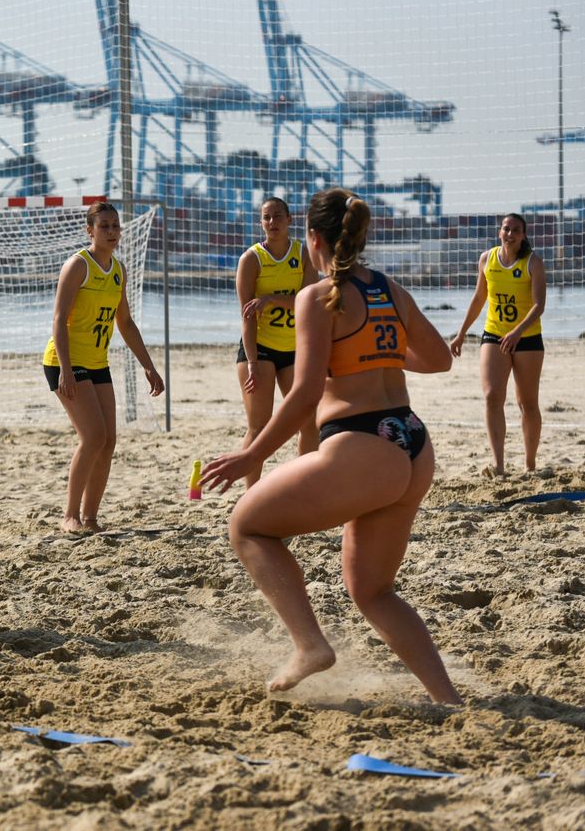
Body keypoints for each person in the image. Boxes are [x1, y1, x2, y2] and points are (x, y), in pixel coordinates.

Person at [201, 188, 461, 705]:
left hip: (362, 445)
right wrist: (374, 354)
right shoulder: (389, 287)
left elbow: (305, 394)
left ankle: (310, 646)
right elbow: (438, 360)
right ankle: (447, 699)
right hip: (411, 441)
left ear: (312, 239)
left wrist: (253, 455)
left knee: (247, 526)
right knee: (373, 591)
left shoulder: (316, 295)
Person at [43, 202, 164, 534]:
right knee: (93, 436)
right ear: (90, 231)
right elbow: (57, 320)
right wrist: (66, 370)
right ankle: (69, 516)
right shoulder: (77, 266)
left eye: (115, 226)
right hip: (64, 361)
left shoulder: (119, 270)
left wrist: (149, 367)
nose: (112, 232)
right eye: (104, 226)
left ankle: (91, 517)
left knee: (109, 440)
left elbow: (125, 323)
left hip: (97, 363)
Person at [448, 214, 546, 476]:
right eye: (506, 229)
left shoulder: (532, 262)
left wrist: (517, 331)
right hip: (494, 334)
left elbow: (539, 306)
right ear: (499, 232)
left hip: (527, 338)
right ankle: (498, 465)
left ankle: (530, 465)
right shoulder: (486, 259)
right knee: (492, 396)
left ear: (523, 235)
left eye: (516, 230)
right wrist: (461, 334)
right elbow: (479, 298)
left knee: (527, 403)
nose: (510, 233)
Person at [235, 196, 320, 487]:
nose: (272, 222)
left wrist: (272, 300)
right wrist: (252, 362)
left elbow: (309, 301)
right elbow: (246, 316)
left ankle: (303, 487)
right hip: (259, 350)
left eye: (277, 217)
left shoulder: (304, 254)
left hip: (295, 348)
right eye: (266, 218)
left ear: (289, 219)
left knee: (309, 422)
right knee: (259, 427)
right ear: (261, 222)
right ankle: (250, 496)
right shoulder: (251, 259)